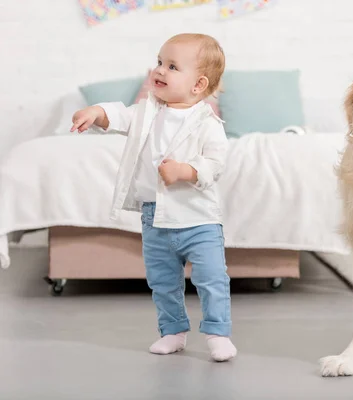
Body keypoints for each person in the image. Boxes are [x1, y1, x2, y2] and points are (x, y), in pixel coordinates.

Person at [70, 33, 236, 361]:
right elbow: (118, 115)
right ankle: (173, 331)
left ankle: (218, 333)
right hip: (154, 217)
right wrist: (97, 112)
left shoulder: (208, 122)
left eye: (172, 66)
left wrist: (186, 172)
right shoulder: (147, 111)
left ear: (198, 84)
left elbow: (216, 163)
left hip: (198, 218)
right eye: (159, 61)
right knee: (162, 281)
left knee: (212, 278)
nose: (159, 70)